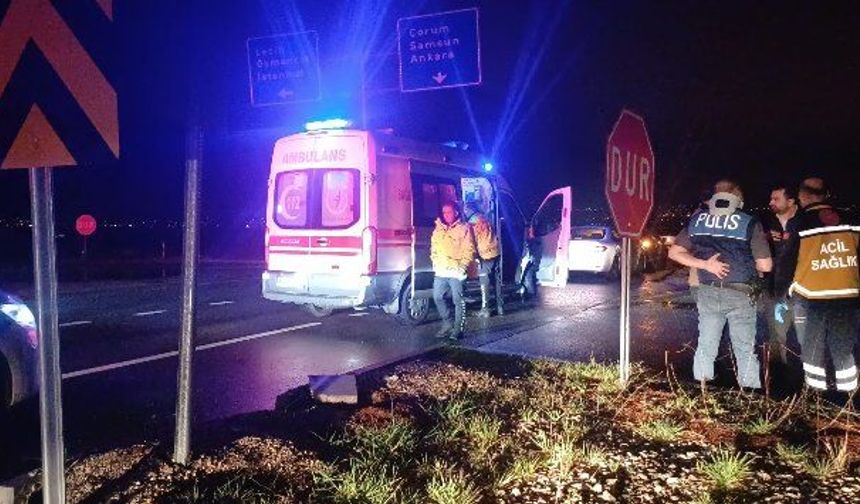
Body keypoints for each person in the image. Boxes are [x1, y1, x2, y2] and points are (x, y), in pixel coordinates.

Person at [668, 179, 773, 390]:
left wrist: (705, 264)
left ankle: (702, 392)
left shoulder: (697, 221)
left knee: (706, 344)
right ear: (738, 198)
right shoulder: (749, 222)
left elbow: (674, 252)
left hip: (708, 291)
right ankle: (750, 396)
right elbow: (766, 265)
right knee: (744, 348)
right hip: (741, 294)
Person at [775, 177, 859, 393]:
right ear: (826, 195)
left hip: (811, 299)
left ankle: (816, 399)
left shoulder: (799, 223)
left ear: (802, 196)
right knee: (843, 350)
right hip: (847, 296)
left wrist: (780, 295)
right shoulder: (851, 218)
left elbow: (787, 263)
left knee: (812, 350)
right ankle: (848, 404)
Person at [762, 184, 799, 364]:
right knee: (776, 336)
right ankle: (778, 379)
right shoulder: (767, 222)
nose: (771, 202)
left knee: (809, 336)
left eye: (776, 199)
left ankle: (813, 386)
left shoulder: (804, 222)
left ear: (791, 201)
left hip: (802, 290)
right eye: (771, 198)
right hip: (774, 289)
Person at [430, 201, 476, 340]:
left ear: (456, 212)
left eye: (449, 212)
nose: (446, 215)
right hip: (441, 271)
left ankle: (458, 329)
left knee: (458, 300)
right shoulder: (438, 229)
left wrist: (462, 267)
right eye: (444, 212)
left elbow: (469, 249)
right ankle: (447, 323)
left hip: (456, 271)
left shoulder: (464, 228)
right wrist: (435, 262)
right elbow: (434, 249)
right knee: (437, 297)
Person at [465, 203, 503, 317]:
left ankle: (485, 309)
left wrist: (474, 257)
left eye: (466, 209)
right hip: (495, 252)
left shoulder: (472, 223)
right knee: (496, 282)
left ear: (470, 210)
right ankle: (500, 307)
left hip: (484, 256)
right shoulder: (485, 218)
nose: (464, 211)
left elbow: (471, 242)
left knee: (484, 282)